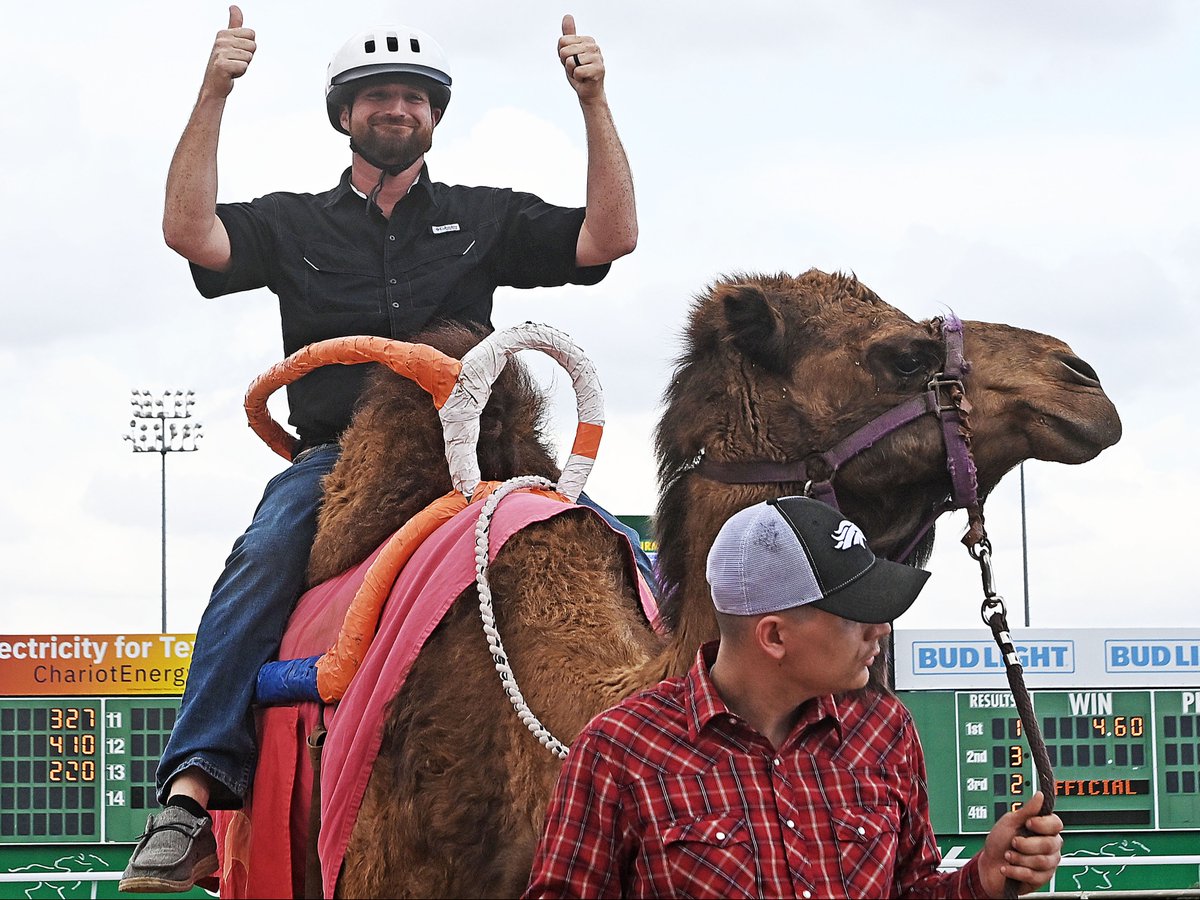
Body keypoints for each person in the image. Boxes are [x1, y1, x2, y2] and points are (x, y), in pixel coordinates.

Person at [120, 7, 638, 893]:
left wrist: (594, 99)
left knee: (609, 546)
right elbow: (190, 233)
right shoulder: (291, 225)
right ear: (345, 115)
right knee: (264, 554)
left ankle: (679, 746)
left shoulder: (487, 216)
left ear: (434, 115)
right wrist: (214, 90)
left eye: (411, 97)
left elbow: (608, 238)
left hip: (483, 455)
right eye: (375, 98)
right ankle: (193, 795)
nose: (394, 110)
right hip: (339, 460)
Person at [524, 496, 1064, 899]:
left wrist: (983, 879)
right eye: (855, 612)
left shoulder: (885, 732)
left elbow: (910, 888)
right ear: (775, 636)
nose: (882, 629)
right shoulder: (619, 750)